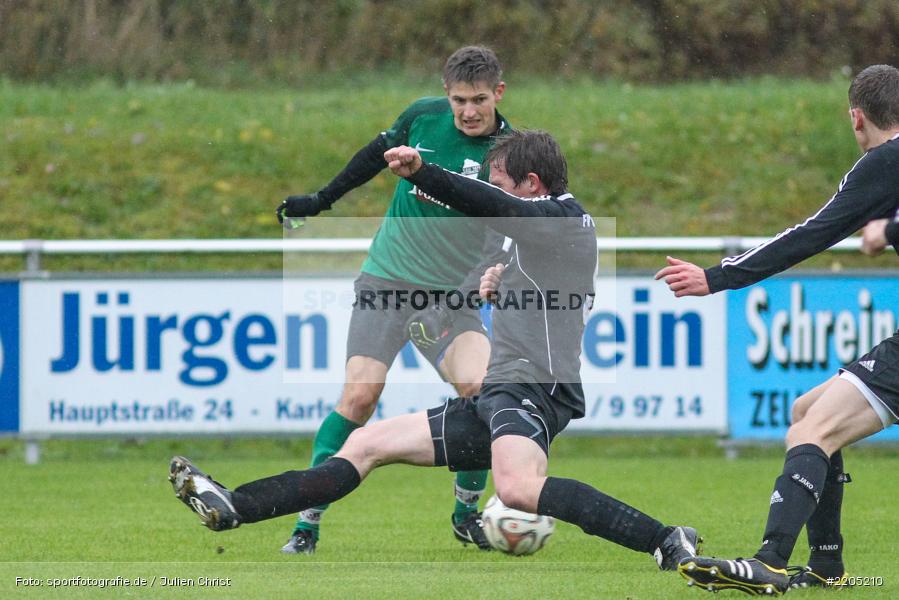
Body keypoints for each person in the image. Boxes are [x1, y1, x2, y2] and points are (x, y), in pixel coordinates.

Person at [170, 129, 701, 571]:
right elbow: (530, 261)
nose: (494, 193)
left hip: (535, 389)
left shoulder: (560, 218)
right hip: (500, 391)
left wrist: (424, 174)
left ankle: (665, 539)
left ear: (531, 185)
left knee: (517, 489)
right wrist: (498, 280)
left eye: (501, 184)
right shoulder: (545, 226)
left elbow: (491, 206)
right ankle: (236, 505)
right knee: (365, 444)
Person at [655, 64, 899, 595]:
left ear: (857, 118)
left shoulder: (885, 162)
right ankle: (828, 567)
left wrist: (717, 276)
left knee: (813, 431)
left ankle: (768, 562)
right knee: (807, 413)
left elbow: (812, 233)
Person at [274, 46, 513, 554]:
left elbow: (499, 242)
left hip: (451, 297)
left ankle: (466, 515)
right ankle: (307, 521)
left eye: (478, 100)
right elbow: (371, 156)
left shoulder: (510, 153)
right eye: (458, 101)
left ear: (499, 93)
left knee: (483, 392)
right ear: (445, 95)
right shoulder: (422, 116)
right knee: (360, 397)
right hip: (386, 282)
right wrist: (321, 200)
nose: (467, 112)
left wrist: (452, 302)